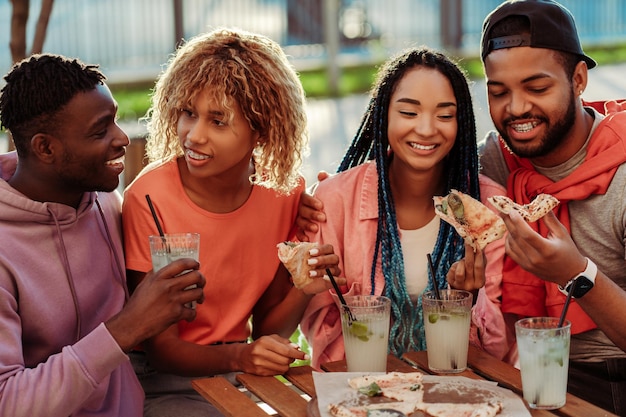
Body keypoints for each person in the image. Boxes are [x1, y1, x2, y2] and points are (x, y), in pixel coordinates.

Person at [121, 28, 340, 416]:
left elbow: (267, 330)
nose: (193, 135)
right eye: (189, 114)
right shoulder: (149, 198)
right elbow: (162, 348)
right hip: (161, 382)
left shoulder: (283, 194)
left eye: (218, 121)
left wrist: (305, 288)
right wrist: (242, 357)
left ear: (261, 129)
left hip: (242, 378)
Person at [0, 54, 206, 417]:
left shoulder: (104, 198)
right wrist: (125, 328)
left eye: (114, 120)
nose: (122, 138)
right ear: (45, 148)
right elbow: (9, 403)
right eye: (100, 131)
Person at [297, 46, 510, 370]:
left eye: (444, 115)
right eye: (409, 113)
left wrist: (468, 300)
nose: (426, 129)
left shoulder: (485, 211)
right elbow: (317, 330)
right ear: (383, 116)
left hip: (454, 394)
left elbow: (497, 351)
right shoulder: (333, 201)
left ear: (461, 123)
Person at [478, 0, 626, 413]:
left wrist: (576, 275)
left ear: (579, 79)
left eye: (537, 88)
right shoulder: (495, 161)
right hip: (533, 372)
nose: (517, 109)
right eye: (498, 92)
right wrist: (327, 198)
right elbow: (406, 176)